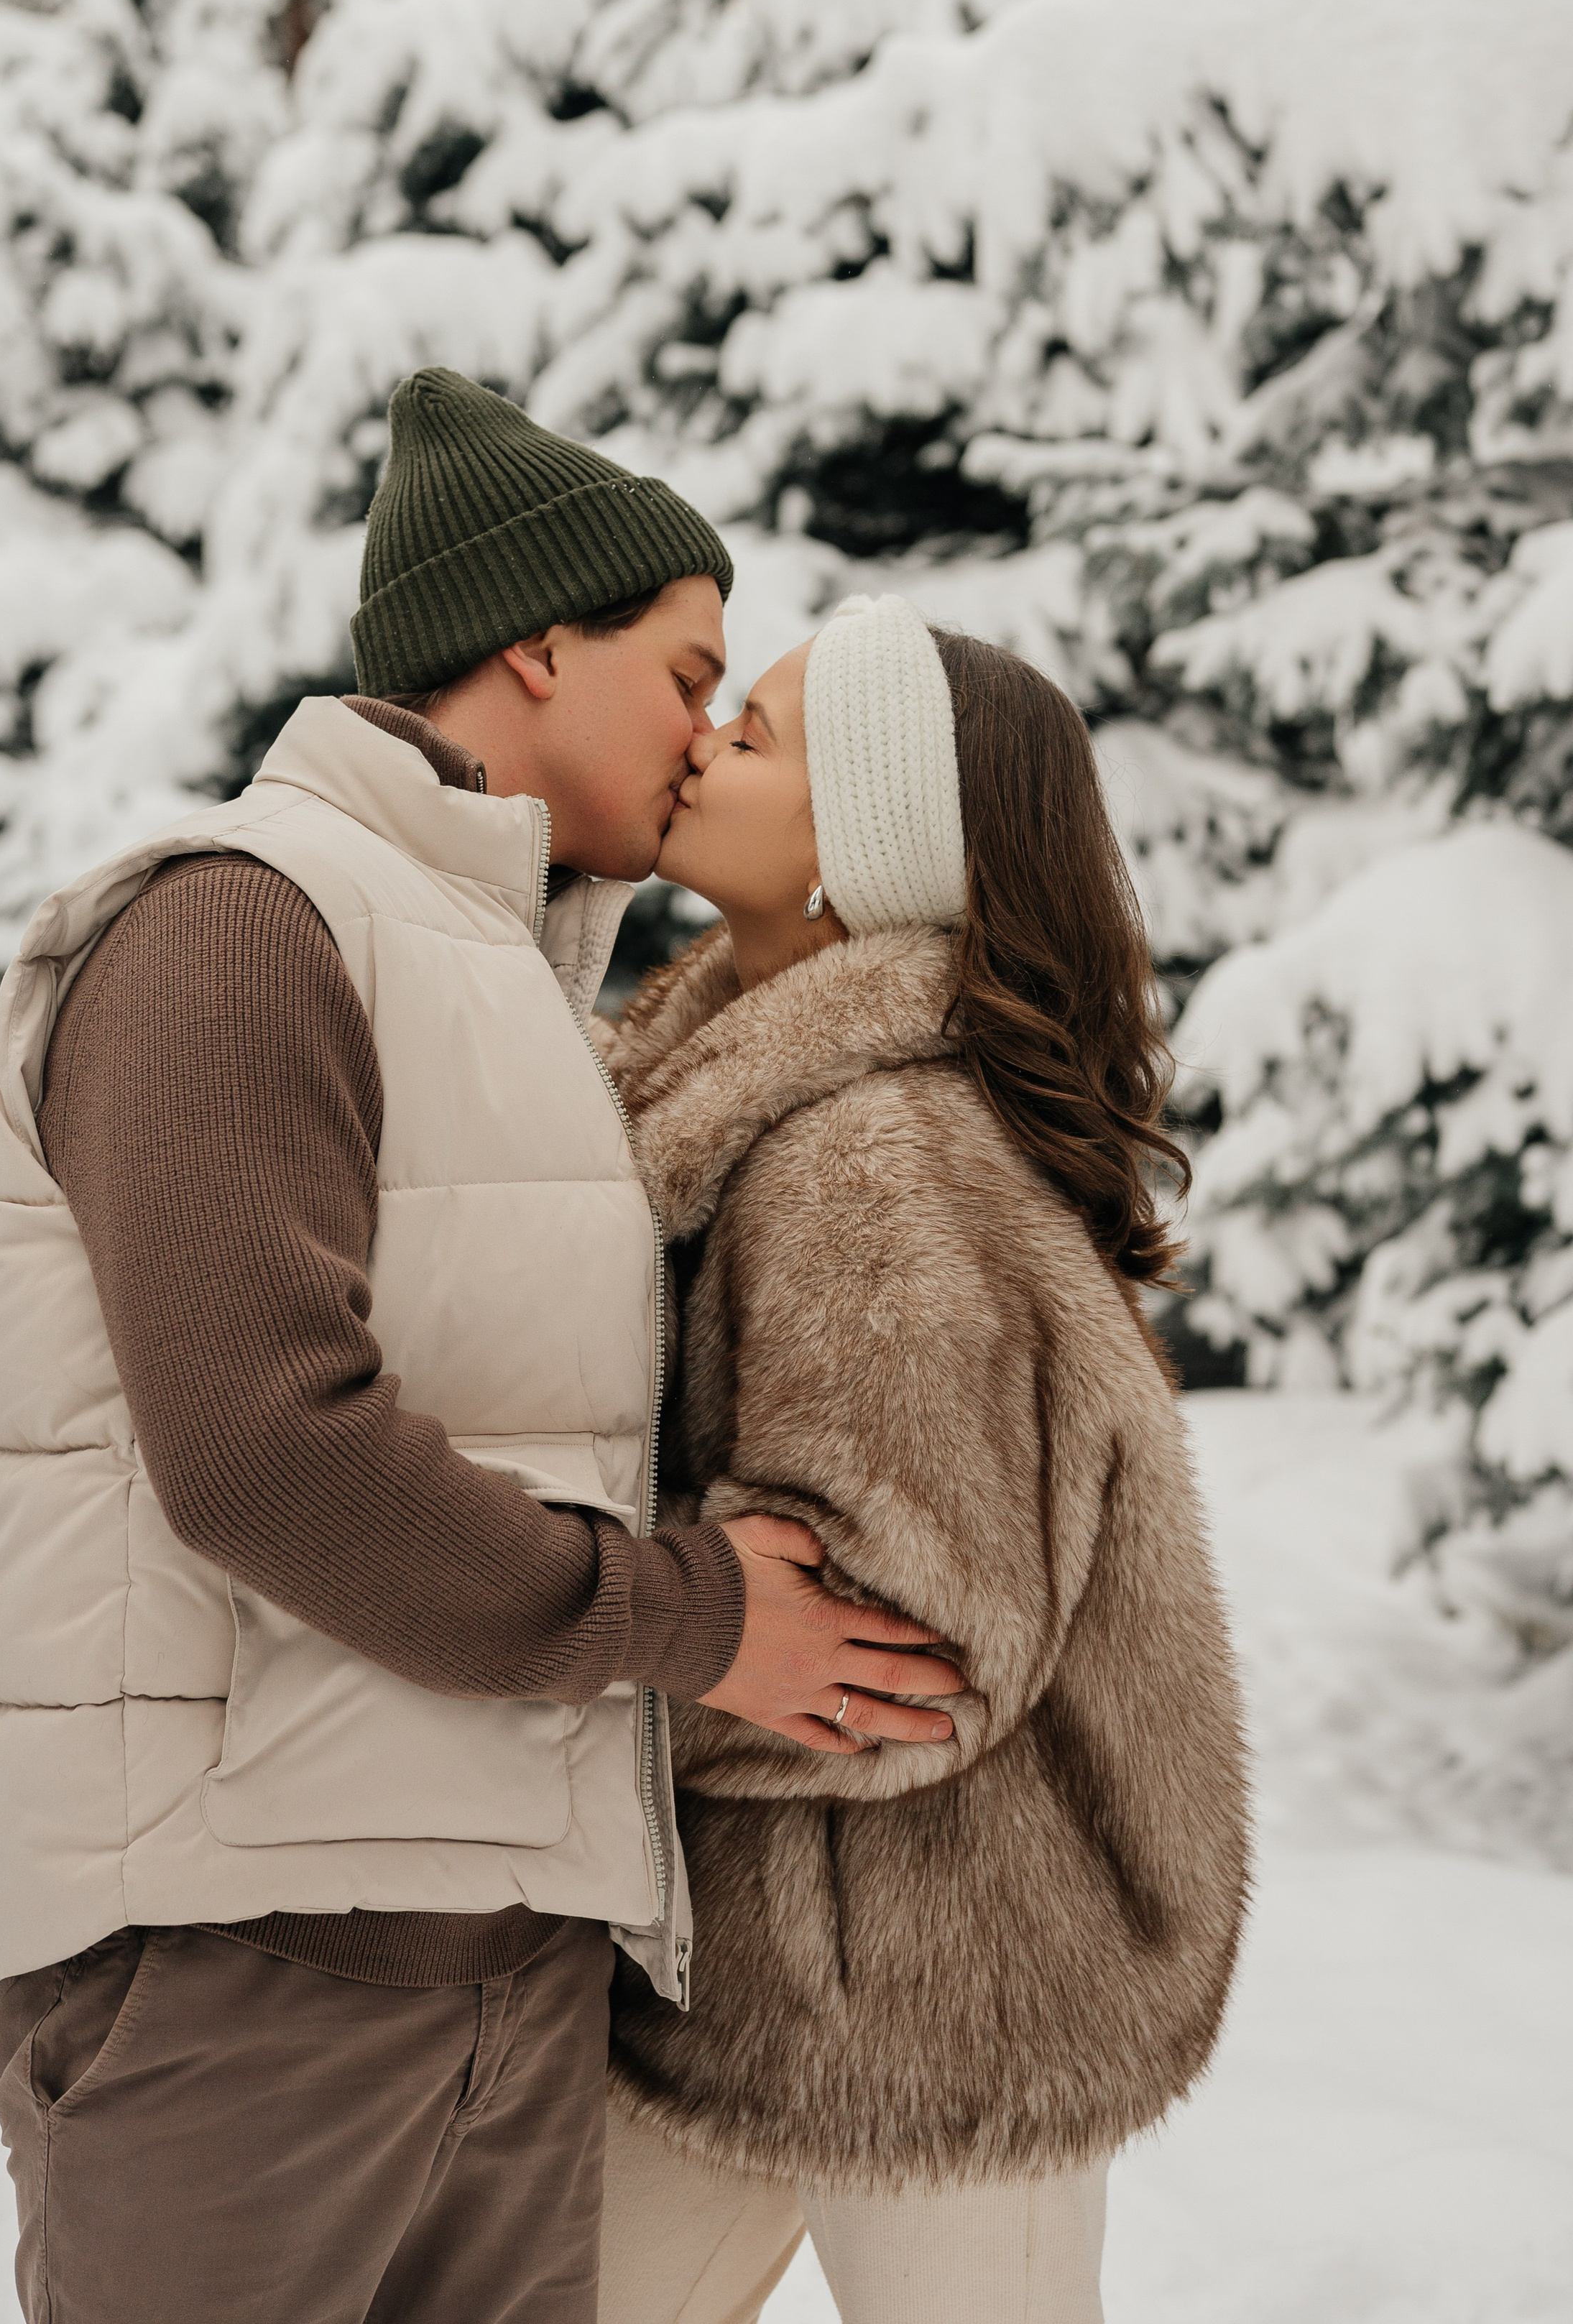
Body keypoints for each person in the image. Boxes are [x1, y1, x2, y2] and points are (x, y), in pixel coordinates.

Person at [0, 380, 964, 2324]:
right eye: (686, 671)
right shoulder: (240, 927)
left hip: (499, 1967)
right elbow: (265, 1451)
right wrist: (692, 1618)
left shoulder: (515, 981)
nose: (702, 731)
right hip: (237, 1967)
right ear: (535, 644)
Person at [594, 596, 1253, 2324]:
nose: (701, 735)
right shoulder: (728, 1093)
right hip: (750, 1971)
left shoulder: (870, 1154)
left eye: (759, 732)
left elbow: (896, 1623)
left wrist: (545, 1662)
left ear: (854, 855)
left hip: (956, 1989)